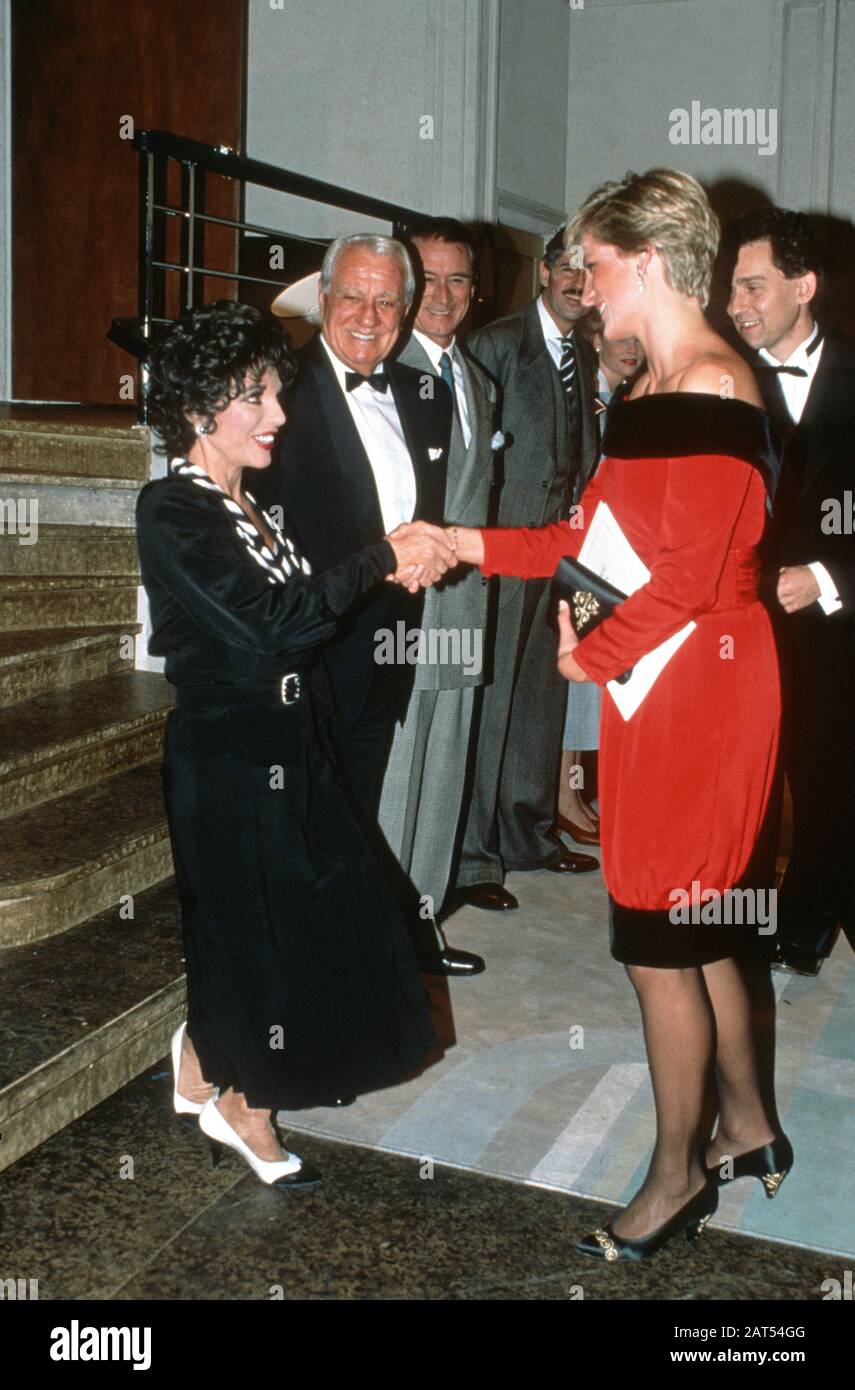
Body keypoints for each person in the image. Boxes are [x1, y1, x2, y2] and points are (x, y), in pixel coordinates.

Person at [449, 170, 792, 1261]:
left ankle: (679, 1172)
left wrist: (586, 654)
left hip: (700, 687)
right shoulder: (648, 391)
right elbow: (582, 540)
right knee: (700, 923)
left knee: (660, 937)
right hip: (667, 679)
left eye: (591, 264)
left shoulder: (710, 383)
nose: (577, 283)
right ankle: (747, 1125)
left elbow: (688, 580)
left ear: (644, 259)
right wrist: (459, 544)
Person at [136, 301, 455, 1186]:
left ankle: (203, 1056)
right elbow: (272, 625)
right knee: (260, 933)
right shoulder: (173, 510)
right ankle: (248, 1106)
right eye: (257, 399)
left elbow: (302, 618)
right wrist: (378, 559)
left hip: (287, 737)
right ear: (202, 411)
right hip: (228, 752)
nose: (278, 415)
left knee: (305, 916)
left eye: (276, 394)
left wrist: (385, 566)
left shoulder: (254, 505)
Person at [256, 233, 482, 976]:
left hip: (388, 650)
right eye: (352, 294)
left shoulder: (426, 398)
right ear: (322, 299)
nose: (367, 314)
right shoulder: (273, 391)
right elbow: (257, 532)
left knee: (354, 818)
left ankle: (339, 992)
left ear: (406, 309)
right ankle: (287, 997)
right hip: (302, 651)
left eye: (387, 300)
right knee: (294, 830)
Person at [454, 227, 600, 914]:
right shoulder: (497, 345)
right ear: (543, 271)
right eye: (566, 266)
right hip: (503, 549)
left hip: (557, 551)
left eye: (588, 269)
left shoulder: (580, 348)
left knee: (541, 699)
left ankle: (526, 834)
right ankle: (474, 856)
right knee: (489, 702)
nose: (577, 280)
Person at [727, 206, 855, 975]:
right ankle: (733, 921)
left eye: (752, 286)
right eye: (730, 288)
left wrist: (827, 577)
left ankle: (807, 915)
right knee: (737, 779)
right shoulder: (719, 380)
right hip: (734, 620)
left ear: (803, 285)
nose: (735, 305)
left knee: (828, 775)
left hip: (836, 626)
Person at [377, 219, 497, 954]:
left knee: (446, 760)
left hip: (463, 603)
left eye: (458, 280)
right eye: (428, 279)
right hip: (402, 607)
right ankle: (382, 936)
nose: (443, 295)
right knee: (398, 768)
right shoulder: (381, 372)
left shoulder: (477, 381)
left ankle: (421, 923)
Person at [556, 316, 647, 847]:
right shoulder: (584, 398)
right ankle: (563, 796)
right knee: (572, 684)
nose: (631, 348)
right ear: (594, 340)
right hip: (576, 551)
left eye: (639, 338)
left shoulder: (629, 399)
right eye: (620, 337)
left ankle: (575, 791)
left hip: (611, 553)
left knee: (594, 681)